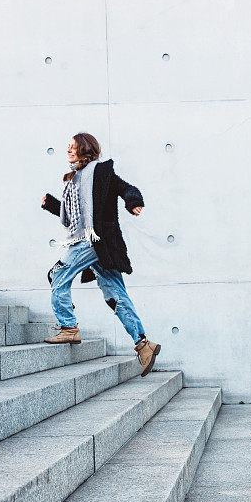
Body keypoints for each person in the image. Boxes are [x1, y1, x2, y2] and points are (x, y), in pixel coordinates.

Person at [40, 132, 160, 377]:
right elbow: (76, 217)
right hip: (97, 245)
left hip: (92, 241)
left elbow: (126, 188)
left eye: (72, 148)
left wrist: (133, 201)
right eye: (68, 148)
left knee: (57, 275)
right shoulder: (74, 179)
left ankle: (68, 326)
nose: (68, 151)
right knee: (115, 294)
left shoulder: (102, 172)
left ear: (85, 150)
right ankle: (143, 345)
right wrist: (51, 204)